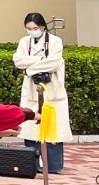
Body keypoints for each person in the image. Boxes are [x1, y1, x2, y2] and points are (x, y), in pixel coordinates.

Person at [14, 12, 70, 173]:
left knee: (53, 128)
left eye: (35, 28)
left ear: (43, 27)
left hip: (52, 90)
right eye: (29, 28)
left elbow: (54, 63)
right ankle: (32, 163)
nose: (32, 31)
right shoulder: (24, 42)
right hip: (31, 90)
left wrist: (29, 69)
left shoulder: (55, 41)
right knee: (31, 127)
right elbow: (18, 61)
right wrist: (40, 62)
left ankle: (53, 165)